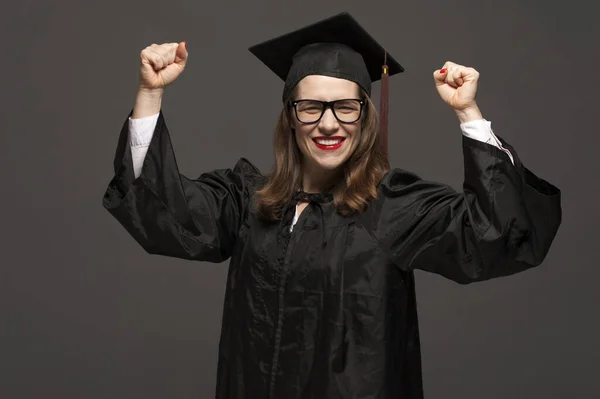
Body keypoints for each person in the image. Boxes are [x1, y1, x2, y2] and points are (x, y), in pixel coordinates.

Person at [102, 12, 561, 399]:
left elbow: (499, 231)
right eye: (311, 108)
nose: (328, 124)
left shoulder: (394, 206)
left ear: (365, 117)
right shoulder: (247, 201)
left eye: (346, 107)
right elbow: (158, 211)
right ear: (290, 117)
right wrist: (151, 93)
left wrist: (469, 114)